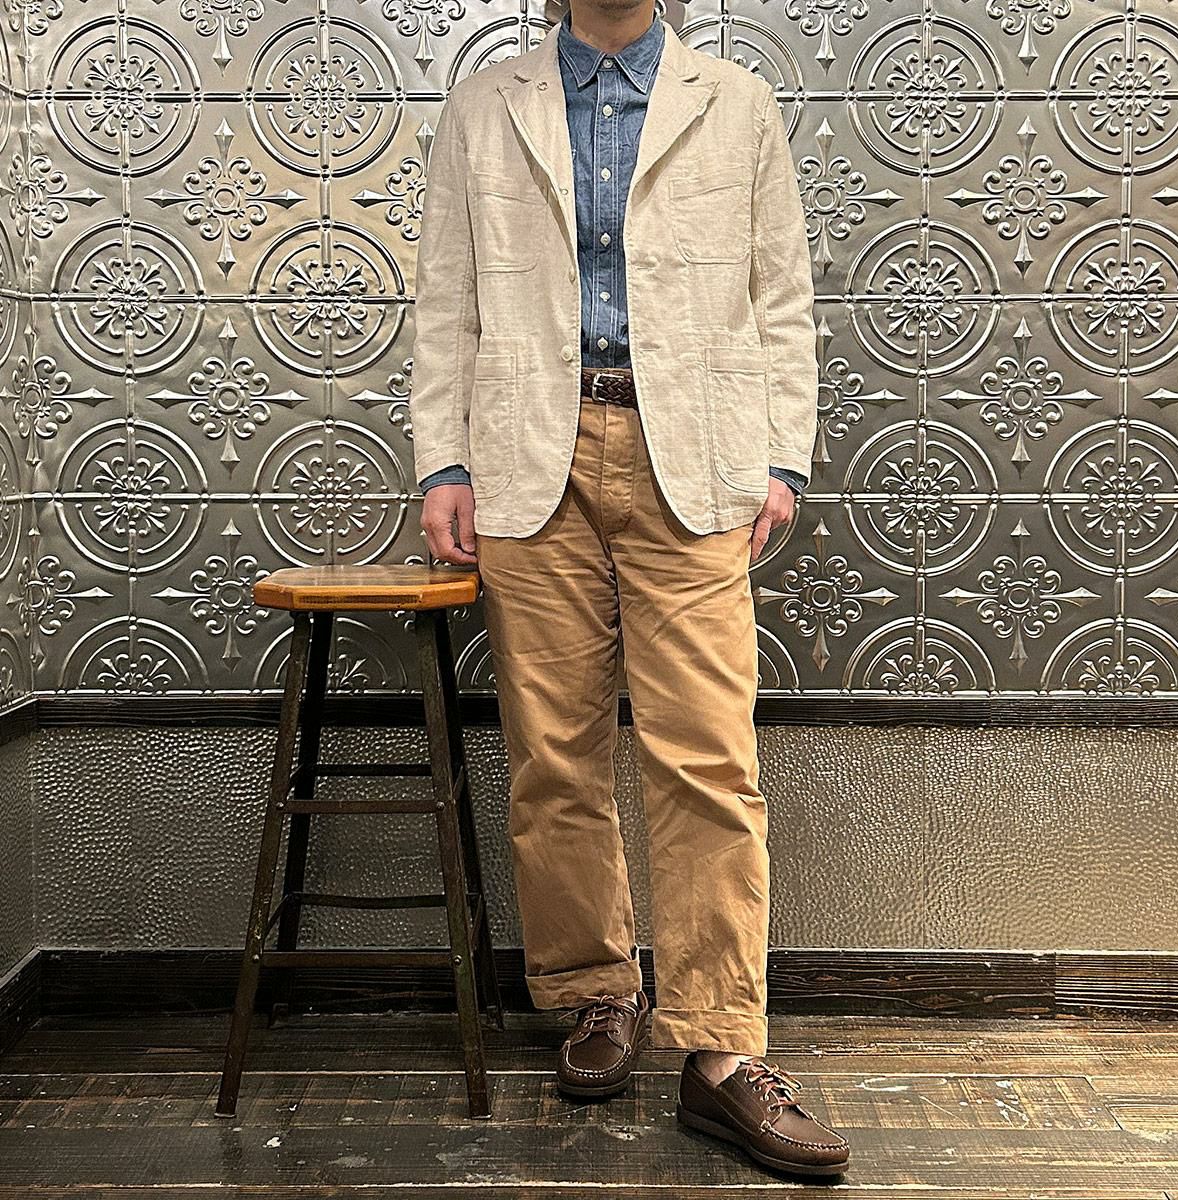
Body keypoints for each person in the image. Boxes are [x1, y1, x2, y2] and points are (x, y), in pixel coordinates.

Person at [410, 0, 849, 1178]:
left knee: (708, 756)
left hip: (691, 456)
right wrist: (444, 460)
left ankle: (720, 1047)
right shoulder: (484, 103)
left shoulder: (736, 102)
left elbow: (781, 292)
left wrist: (782, 458)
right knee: (554, 756)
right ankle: (596, 993)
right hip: (527, 455)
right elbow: (447, 295)